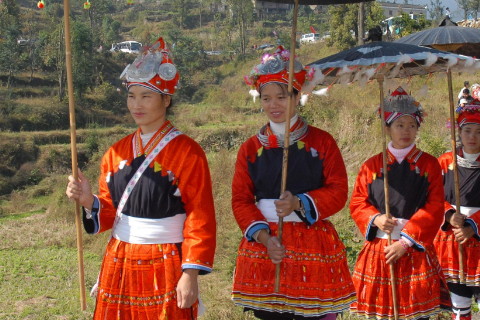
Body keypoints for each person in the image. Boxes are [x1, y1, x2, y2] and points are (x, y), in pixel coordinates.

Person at [65, 38, 216, 319]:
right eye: (132, 95)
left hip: (166, 259)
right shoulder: (115, 152)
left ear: (166, 99)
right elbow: (110, 211)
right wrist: (88, 201)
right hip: (119, 257)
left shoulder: (188, 152)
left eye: (146, 96)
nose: (137, 104)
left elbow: (200, 216)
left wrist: (190, 273)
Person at [231, 46, 356, 319]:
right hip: (266, 246)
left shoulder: (322, 142)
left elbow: (338, 191)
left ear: (298, 96)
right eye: (266, 98)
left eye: (282, 96)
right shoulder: (250, 149)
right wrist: (265, 238)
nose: (274, 105)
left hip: (312, 245)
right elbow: (241, 200)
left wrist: (299, 202)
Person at [349, 87, 449, 320]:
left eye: (411, 125)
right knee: (383, 314)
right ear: (388, 129)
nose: (406, 131)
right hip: (381, 249)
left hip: (413, 247)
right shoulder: (371, 166)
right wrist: (376, 218)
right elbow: (357, 202)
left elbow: (435, 206)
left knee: (416, 313)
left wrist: (405, 242)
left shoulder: (429, 165)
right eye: (399, 125)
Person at [434, 102, 480, 320]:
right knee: (459, 306)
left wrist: (473, 225)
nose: (472, 137)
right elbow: (432, 197)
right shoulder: (444, 162)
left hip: (478, 240)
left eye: (479, 132)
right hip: (451, 243)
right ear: (458, 132)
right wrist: (450, 215)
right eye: (467, 130)